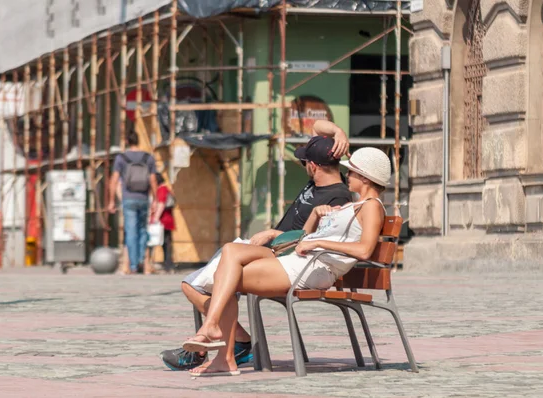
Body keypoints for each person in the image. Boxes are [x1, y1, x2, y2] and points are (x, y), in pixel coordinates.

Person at [181, 147, 391, 377]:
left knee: (228, 277)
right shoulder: (353, 206)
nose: (346, 176)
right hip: (300, 259)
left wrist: (319, 244)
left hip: (314, 268)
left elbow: (365, 250)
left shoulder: (372, 206)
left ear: (364, 177)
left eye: (350, 173)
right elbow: (305, 237)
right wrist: (316, 217)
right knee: (231, 252)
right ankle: (214, 335)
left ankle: (222, 352)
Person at [159, 121, 352, 371]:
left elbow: (310, 242)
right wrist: (338, 132)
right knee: (206, 272)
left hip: (286, 255)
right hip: (275, 249)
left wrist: (274, 232)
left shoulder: (337, 197)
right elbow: (316, 127)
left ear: (313, 166)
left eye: (306, 162)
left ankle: (216, 337)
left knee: (225, 270)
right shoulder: (318, 181)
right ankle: (227, 342)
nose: (305, 165)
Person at [108, 130, 157, 274]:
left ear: (128, 142)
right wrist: (155, 199)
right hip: (143, 198)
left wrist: (111, 200)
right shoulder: (148, 158)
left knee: (130, 231)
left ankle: (134, 265)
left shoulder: (121, 158)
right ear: (138, 141)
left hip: (128, 198)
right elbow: (153, 180)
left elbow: (114, 180)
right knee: (143, 230)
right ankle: (142, 260)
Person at [151, 173, 176, 273]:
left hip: (163, 221)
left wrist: (155, 218)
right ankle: (168, 265)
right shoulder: (165, 189)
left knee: (165, 243)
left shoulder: (161, 189)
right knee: (166, 244)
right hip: (167, 220)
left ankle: (168, 265)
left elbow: (161, 204)